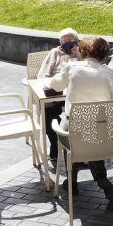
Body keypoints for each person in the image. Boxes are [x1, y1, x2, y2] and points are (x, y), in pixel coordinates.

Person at [47, 36, 113, 202]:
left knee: (73, 134)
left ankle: (72, 181)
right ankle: (100, 177)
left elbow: (55, 85)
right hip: (103, 135)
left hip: (73, 133)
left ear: (82, 51)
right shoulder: (109, 73)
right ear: (104, 54)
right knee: (92, 135)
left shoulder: (71, 68)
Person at [36, 28, 80, 161]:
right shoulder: (55, 52)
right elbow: (42, 75)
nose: (67, 43)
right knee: (47, 110)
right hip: (57, 91)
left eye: (70, 41)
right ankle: (55, 142)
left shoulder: (82, 51)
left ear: (77, 41)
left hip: (76, 93)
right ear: (60, 42)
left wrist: (77, 55)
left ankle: (76, 145)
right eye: (64, 41)